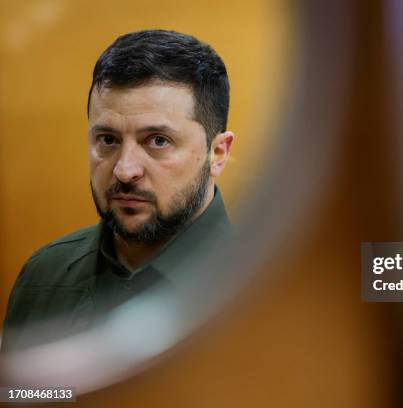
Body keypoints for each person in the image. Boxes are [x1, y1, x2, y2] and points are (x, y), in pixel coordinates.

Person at [0, 29, 235, 352]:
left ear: (217, 153)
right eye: (108, 140)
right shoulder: (43, 275)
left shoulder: (265, 291)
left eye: (158, 141)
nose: (125, 170)